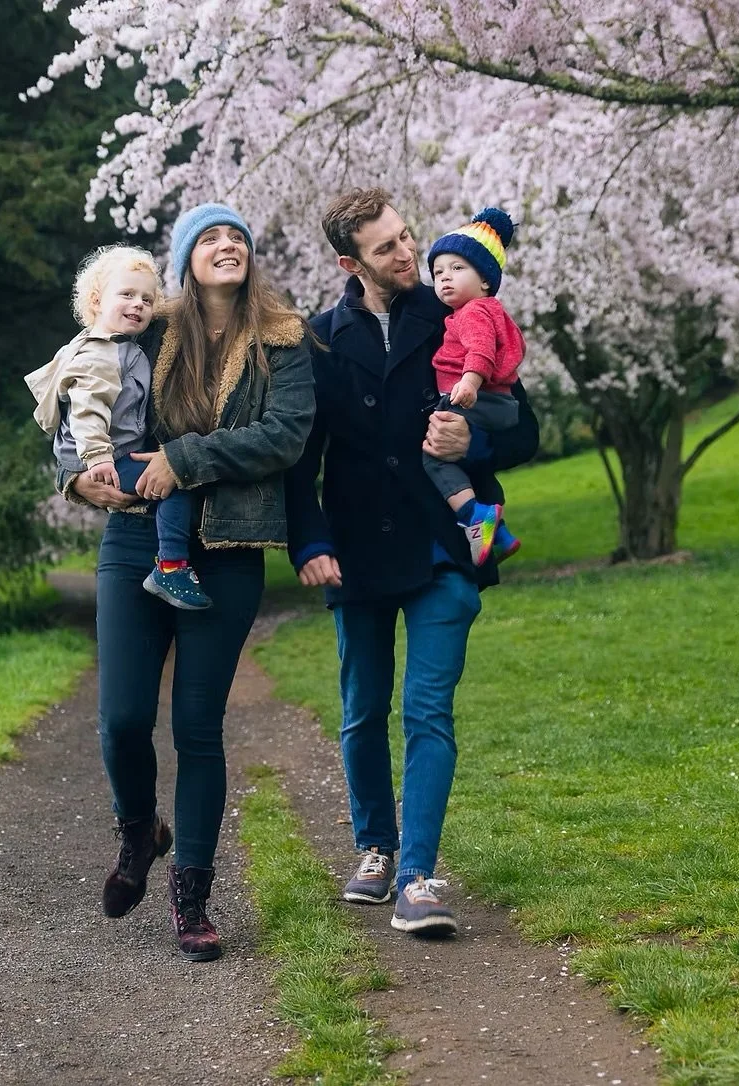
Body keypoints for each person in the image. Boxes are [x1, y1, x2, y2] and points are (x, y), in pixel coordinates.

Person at [56, 203, 315, 961]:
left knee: (198, 727)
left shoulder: (286, 341)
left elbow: (286, 436)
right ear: (184, 258)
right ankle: (140, 831)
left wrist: (185, 459)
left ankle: (192, 897)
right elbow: (83, 390)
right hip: (135, 537)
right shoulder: (152, 323)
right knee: (122, 720)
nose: (227, 243)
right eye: (209, 236)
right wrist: (78, 479)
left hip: (228, 547)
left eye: (237, 235)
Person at [285, 187, 538, 936]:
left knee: (428, 709)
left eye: (406, 238)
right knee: (363, 710)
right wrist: (310, 542)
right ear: (348, 262)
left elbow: (526, 429)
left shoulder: (459, 316)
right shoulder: (320, 340)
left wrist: (476, 446)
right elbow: (303, 459)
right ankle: (374, 847)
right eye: (387, 247)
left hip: (443, 545)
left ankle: (417, 874)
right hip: (357, 550)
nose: (407, 255)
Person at [25, 245, 211, 609]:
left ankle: (169, 558)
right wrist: (97, 458)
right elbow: (88, 409)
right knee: (174, 480)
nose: (138, 305)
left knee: (166, 476)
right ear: (96, 301)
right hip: (101, 456)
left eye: (146, 298)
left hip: (108, 451)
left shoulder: (122, 347)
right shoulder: (100, 353)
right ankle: (171, 567)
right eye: (126, 294)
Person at [424, 207, 526, 566]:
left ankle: (472, 517)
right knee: (458, 460)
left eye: (456, 269)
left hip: (474, 396)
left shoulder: (473, 313)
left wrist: (469, 381)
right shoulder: (490, 310)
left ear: (485, 280)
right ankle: (500, 535)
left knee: (434, 456)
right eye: (437, 273)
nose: (444, 279)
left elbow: (480, 349)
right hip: (496, 402)